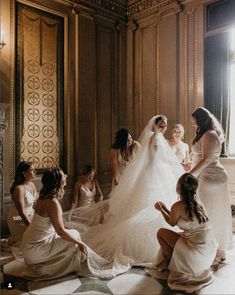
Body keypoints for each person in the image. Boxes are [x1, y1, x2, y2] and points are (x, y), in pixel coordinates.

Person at [64, 115, 184, 276]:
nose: (163, 129)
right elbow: (153, 159)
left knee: (149, 207)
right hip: (151, 175)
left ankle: (161, 244)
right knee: (145, 207)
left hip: (154, 174)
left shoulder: (151, 139)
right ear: (155, 126)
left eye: (165, 126)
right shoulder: (154, 138)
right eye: (161, 126)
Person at [21, 168, 123, 280]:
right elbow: (60, 231)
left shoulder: (43, 197)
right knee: (74, 238)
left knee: (73, 235)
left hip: (28, 243)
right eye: (63, 175)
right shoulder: (52, 203)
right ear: (58, 182)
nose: (65, 176)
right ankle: (67, 266)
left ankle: (61, 263)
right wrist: (80, 243)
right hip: (35, 248)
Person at [151, 173, 218, 292]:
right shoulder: (198, 203)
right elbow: (179, 218)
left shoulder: (177, 206)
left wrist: (161, 210)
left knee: (161, 233)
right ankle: (176, 262)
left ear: (179, 189)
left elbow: (172, 222)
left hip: (195, 254)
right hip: (207, 251)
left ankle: (173, 267)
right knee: (178, 236)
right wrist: (166, 208)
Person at [189, 107, 233, 258]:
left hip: (211, 178)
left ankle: (214, 247)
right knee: (212, 212)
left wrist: (190, 175)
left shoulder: (209, 134)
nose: (194, 124)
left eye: (195, 121)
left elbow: (207, 159)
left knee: (210, 212)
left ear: (202, 119)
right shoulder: (207, 133)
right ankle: (213, 247)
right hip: (209, 177)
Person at [7, 161, 38, 244]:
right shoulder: (19, 189)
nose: (35, 172)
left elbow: (36, 203)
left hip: (31, 215)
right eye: (32, 170)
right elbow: (21, 212)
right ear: (24, 173)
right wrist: (31, 227)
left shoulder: (32, 185)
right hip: (18, 218)